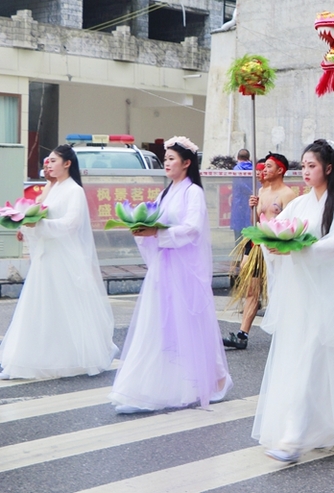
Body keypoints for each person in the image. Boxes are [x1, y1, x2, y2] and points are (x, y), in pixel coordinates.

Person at [252, 139, 334, 463]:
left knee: (309, 363)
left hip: (327, 297)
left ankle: (293, 439)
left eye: (312, 165)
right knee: (305, 362)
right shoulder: (299, 203)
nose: (306, 171)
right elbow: (280, 229)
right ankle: (322, 429)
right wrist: (272, 241)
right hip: (302, 298)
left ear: (327, 168)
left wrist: (302, 249)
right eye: (304, 165)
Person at [109, 136, 232, 413]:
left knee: (188, 325)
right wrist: (144, 231)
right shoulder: (165, 193)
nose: (167, 163)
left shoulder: (193, 193)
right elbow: (155, 221)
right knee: (160, 325)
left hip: (185, 270)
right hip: (164, 267)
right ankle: (147, 386)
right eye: (165, 159)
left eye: (172, 159)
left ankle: (204, 381)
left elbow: (192, 229)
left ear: (187, 163)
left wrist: (159, 233)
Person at [0, 145, 118, 380]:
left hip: (63, 257)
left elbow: (71, 224)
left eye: (54, 161)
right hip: (46, 256)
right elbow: (38, 212)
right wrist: (27, 226)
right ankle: (35, 356)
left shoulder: (74, 191)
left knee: (65, 305)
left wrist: (39, 226)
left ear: (67, 164)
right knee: (41, 305)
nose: (49, 164)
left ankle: (70, 357)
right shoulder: (51, 188)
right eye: (48, 161)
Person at [224, 152, 298, 350]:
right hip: (258, 248)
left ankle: (287, 332)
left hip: (277, 248)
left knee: (280, 291)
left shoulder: (288, 195)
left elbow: (291, 226)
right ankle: (242, 334)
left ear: (280, 170)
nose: (264, 170)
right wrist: (252, 208)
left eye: (269, 167)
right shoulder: (261, 193)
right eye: (264, 167)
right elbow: (254, 224)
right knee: (252, 290)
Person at [230, 149, 253, 242]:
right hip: (251, 202)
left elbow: (239, 184)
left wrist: (248, 192)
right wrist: (252, 193)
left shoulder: (237, 168)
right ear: (248, 158)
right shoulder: (254, 169)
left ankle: (239, 254)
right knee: (250, 229)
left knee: (239, 232)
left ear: (237, 158)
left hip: (239, 203)